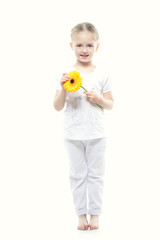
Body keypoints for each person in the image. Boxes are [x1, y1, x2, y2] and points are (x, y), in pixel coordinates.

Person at [53, 22, 114, 230]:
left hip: (97, 134)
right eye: (79, 45)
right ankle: (81, 215)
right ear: (71, 46)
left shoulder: (103, 74)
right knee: (77, 175)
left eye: (89, 45)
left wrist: (98, 99)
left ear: (97, 46)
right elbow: (57, 106)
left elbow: (111, 104)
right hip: (72, 135)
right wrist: (62, 89)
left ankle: (95, 214)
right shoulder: (66, 75)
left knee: (96, 175)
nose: (84, 50)